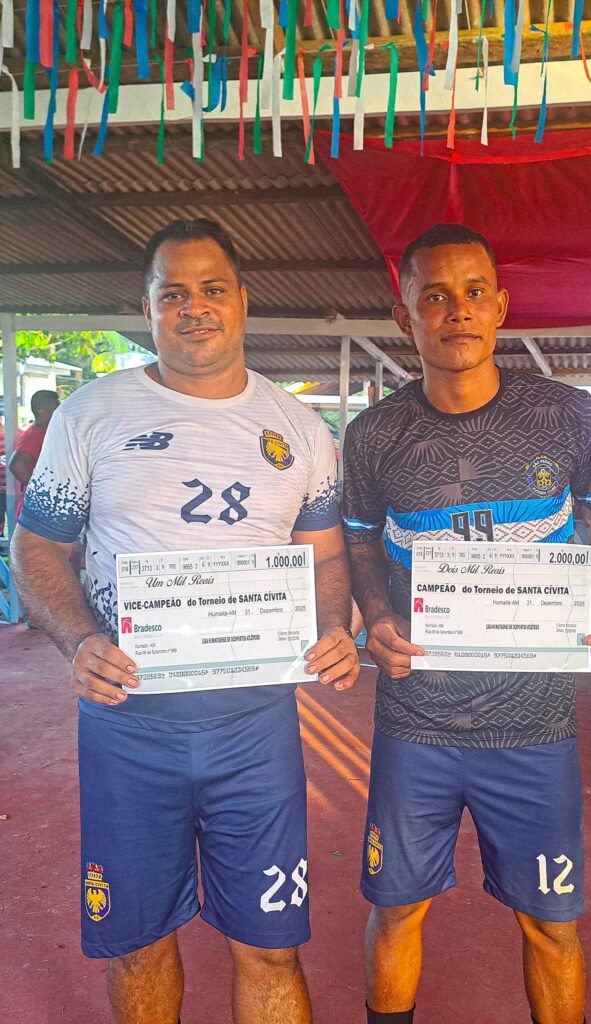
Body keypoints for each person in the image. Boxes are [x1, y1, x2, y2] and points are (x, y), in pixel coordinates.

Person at [11, 218, 360, 1024]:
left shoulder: (301, 429)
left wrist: (333, 627)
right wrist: (78, 640)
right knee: (138, 945)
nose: (193, 307)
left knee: (271, 948)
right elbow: (36, 547)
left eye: (211, 289)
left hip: (255, 725)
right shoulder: (89, 415)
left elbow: (325, 558)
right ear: (147, 308)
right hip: (130, 723)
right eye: (173, 294)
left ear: (242, 299)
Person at [342, 223, 591, 1024]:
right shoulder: (374, 436)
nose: (458, 311)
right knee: (396, 911)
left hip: (535, 725)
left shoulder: (565, 415)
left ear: (500, 306)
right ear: (404, 317)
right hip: (416, 722)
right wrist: (375, 615)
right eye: (434, 296)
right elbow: (360, 542)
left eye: (474, 292)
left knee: (550, 925)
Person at [7, 389, 59, 515]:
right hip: (36, 510)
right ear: (42, 413)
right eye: (56, 410)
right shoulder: (34, 435)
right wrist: (41, 490)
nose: (60, 414)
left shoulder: (46, 433)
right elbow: (16, 464)